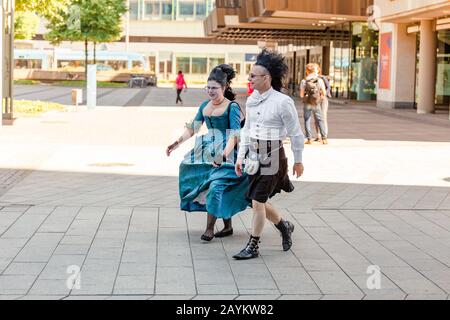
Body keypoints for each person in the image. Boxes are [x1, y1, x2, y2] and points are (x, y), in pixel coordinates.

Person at [233, 49, 305, 260]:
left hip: (273, 155)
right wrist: (240, 157)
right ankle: (284, 225)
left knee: (257, 202)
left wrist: (298, 161)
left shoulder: (283, 102)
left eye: (253, 75)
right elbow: (246, 130)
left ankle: (253, 246)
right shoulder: (253, 99)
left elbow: (296, 133)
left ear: (267, 78)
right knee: (259, 202)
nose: (249, 78)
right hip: (254, 156)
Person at [166, 64, 249, 241]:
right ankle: (228, 227)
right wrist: (176, 143)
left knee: (215, 186)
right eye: (208, 87)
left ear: (224, 88)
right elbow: (194, 128)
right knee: (201, 178)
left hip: (226, 151)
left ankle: (209, 229)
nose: (210, 91)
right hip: (206, 149)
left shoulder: (232, 107)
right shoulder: (205, 105)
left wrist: (223, 156)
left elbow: (235, 135)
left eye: (214, 88)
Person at [300, 63, 328, 145]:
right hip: (316, 102)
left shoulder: (304, 81)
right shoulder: (319, 80)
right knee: (320, 119)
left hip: (307, 102)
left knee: (307, 120)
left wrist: (305, 96)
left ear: (307, 71)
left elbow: (301, 95)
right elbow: (324, 92)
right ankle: (324, 138)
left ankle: (309, 139)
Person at [313, 65, 331, 142]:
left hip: (323, 100)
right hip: (314, 100)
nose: (314, 71)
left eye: (315, 70)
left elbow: (328, 87)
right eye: (312, 70)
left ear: (318, 70)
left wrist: (324, 95)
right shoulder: (310, 78)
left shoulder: (322, 78)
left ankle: (324, 135)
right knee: (316, 118)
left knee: (323, 117)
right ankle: (318, 135)